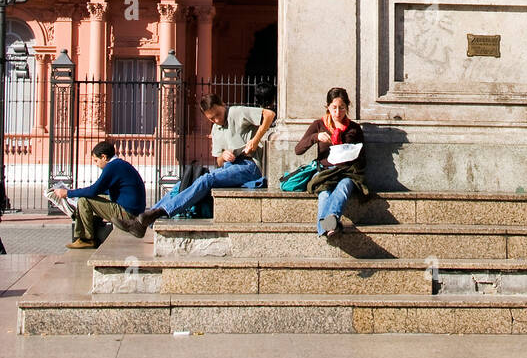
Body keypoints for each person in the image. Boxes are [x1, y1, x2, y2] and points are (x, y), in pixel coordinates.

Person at [126, 93, 275, 235]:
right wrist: (224, 156)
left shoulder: (237, 112)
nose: (216, 120)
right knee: (182, 184)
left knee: (206, 180)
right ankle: (142, 222)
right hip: (230, 167)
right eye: (211, 118)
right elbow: (218, 161)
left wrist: (255, 140)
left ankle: (160, 212)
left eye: (218, 114)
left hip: (249, 166)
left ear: (222, 105)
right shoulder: (216, 129)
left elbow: (269, 114)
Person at [295, 87, 367, 238]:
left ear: (347, 107)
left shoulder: (354, 128)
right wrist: (316, 137)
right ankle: (329, 227)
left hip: (347, 172)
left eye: (342, 108)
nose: (338, 112)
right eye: (334, 108)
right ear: (328, 107)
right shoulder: (319, 125)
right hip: (325, 172)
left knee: (344, 187)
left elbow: (363, 156)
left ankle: (328, 225)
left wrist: (351, 155)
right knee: (324, 193)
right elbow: (298, 149)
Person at [53, 140, 146, 250]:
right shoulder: (119, 164)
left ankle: (86, 239)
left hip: (128, 213)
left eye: (96, 160)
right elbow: (103, 190)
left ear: (104, 157)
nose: (96, 164)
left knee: (84, 200)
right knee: (89, 198)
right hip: (133, 210)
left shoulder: (112, 167)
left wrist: (68, 193)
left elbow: (94, 190)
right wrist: (77, 192)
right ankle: (93, 226)